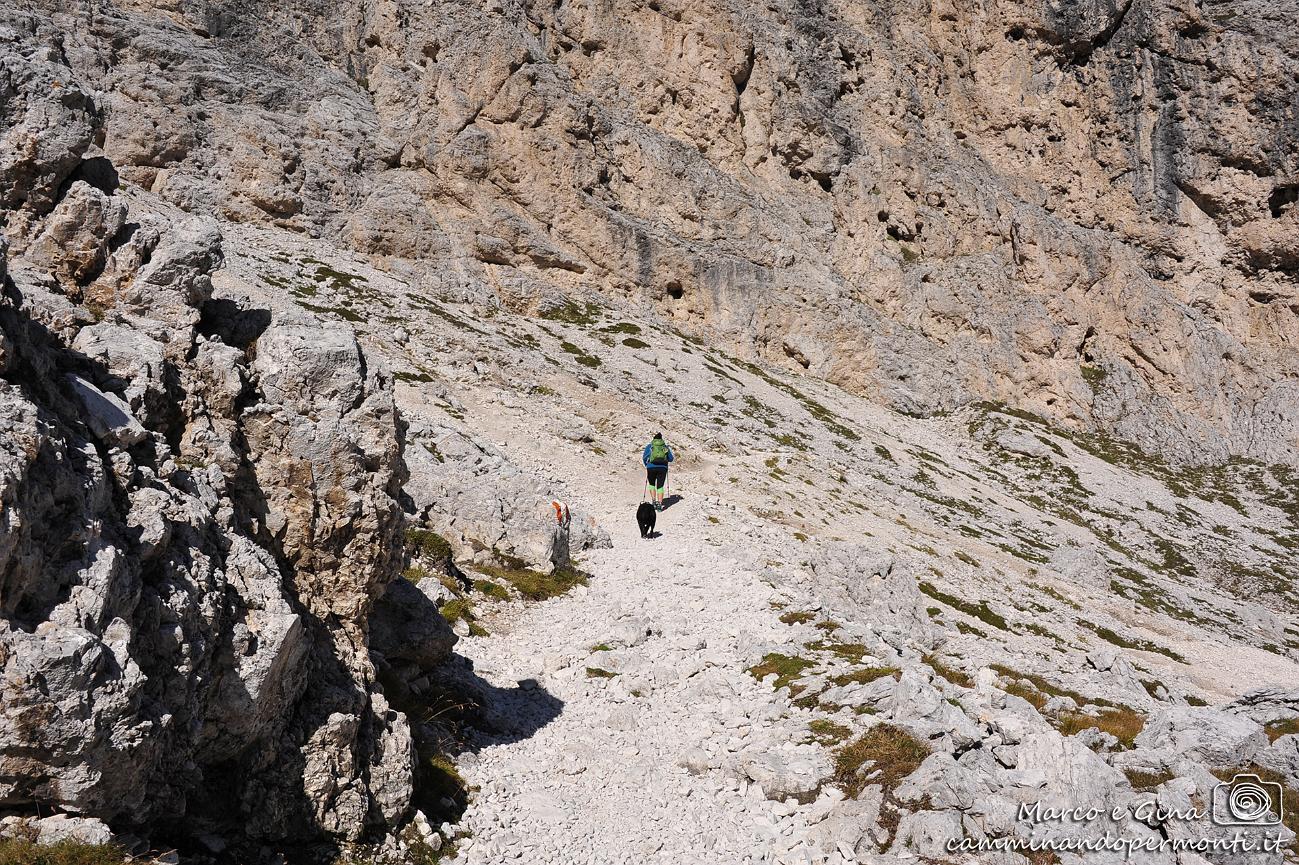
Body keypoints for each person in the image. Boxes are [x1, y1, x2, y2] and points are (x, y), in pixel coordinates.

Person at [641, 432, 674, 510]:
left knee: (652, 484)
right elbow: (671, 459)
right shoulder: (665, 447)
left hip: (651, 467)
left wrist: (647, 465)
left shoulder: (650, 446)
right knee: (660, 486)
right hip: (663, 468)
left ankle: (654, 501)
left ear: (654, 439)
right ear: (661, 439)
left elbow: (644, 457)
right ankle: (659, 504)